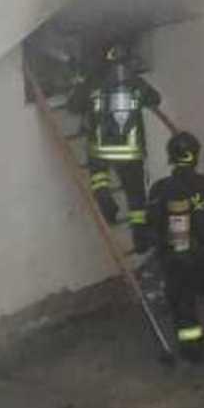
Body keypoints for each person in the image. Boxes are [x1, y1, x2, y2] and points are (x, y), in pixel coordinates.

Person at [144, 131, 204, 362]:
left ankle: (193, 349)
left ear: (171, 157)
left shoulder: (160, 189)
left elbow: (153, 223)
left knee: (183, 302)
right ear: (195, 156)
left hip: (177, 260)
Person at [67, 42, 162, 253]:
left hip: (102, 146)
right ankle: (141, 238)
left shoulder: (93, 81)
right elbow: (156, 99)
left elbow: (73, 106)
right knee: (136, 195)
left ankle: (104, 197)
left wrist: (81, 85)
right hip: (130, 147)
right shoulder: (134, 81)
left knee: (98, 173)